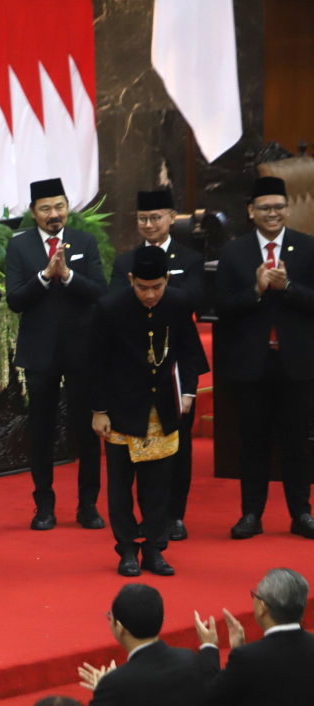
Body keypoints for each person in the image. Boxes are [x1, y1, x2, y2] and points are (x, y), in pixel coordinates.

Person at [90, 247, 208, 576]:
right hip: (120, 410)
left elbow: (190, 351)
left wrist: (187, 391)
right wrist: (99, 410)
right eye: (142, 287)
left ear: (167, 280)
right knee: (120, 486)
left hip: (163, 409)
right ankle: (127, 549)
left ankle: (155, 549)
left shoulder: (178, 302)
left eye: (157, 286)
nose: (150, 294)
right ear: (131, 280)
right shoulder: (110, 307)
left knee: (158, 486)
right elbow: (94, 364)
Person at [5, 178, 107, 531]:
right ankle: (44, 507)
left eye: (59, 206)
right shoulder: (18, 247)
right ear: (33, 213)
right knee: (42, 431)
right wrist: (45, 277)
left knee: (87, 430)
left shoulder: (84, 241)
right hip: (39, 353)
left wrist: (68, 275)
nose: (54, 214)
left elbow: (100, 291)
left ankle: (88, 505)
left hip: (83, 351)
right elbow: (15, 300)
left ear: (67, 208)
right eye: (46, 208)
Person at [216, 176, 314, 541]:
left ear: (288, 209)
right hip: (251, 366)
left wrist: (287, 287)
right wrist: (256, 291)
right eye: (264, 208)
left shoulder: (308, 248)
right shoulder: (234, 252)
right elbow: (222, 307)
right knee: (253, 443)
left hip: (297, 363)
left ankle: (301, 514)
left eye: (277, 207)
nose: (272, 214)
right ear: (251, 212)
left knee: (296, 444)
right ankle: (251, 515)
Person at [109, 189, 204, 542]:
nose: (149, 224)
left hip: (175, 364)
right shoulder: (125, 261)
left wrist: (162, 291)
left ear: (171, 217)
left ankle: (174, 515)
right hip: (133, 364)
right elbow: (114, 304)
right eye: (142, 219)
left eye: (156, 217)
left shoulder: (190, 257)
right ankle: (140, 524)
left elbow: (194, 297)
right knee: (130, 454)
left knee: (178, 446)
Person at [194, 568, 314, 704]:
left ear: (263, 607)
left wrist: (208, 646)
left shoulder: (248, 657)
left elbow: (209, 698)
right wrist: (239, 649)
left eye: (255, 595)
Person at [78, 584, 205, 705]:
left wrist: (103, 692)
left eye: (110, 617)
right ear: (162, 619)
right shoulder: (190, 658)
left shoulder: (114, 684)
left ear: (120, 628)